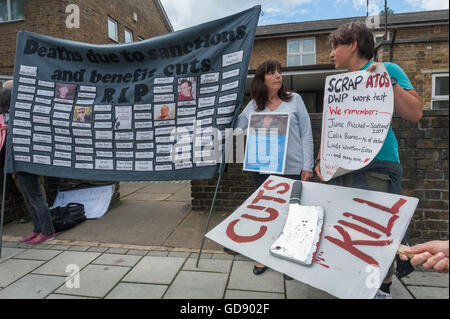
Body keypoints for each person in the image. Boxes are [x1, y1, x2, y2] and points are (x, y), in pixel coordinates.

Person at [314, 22, 422, 299]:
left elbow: (415, 113)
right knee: (348, 230)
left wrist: (390, 81)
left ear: (352, 45)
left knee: (376, 233)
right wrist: (322, 158)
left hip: (377, 165)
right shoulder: (338, 84)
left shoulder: (387, 71)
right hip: (341, 169)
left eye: (334, 46)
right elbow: (334, 127)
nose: (330, 54)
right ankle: (358, 286)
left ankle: (379, 288)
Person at [235, 59, 314, 278]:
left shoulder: (295, 100)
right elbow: (238, 128)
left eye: (279, 72)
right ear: (261, 79)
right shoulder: (254, 105)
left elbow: (306, 133)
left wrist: (307, 165)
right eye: (271, 73)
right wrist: (230, 107)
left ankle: (289, 258)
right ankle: (265, 255)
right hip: (262, 167)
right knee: (266, 212)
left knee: (292, 214)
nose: (278, 75)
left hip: (292, 166)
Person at [0, 82, 55, 245]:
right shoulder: (10, 115)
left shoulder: (24, 114)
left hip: (28, 160)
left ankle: (48, 231)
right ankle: (37, 229)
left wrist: (9, 129)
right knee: (28, 197)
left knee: (36, 197)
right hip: (18, 161)